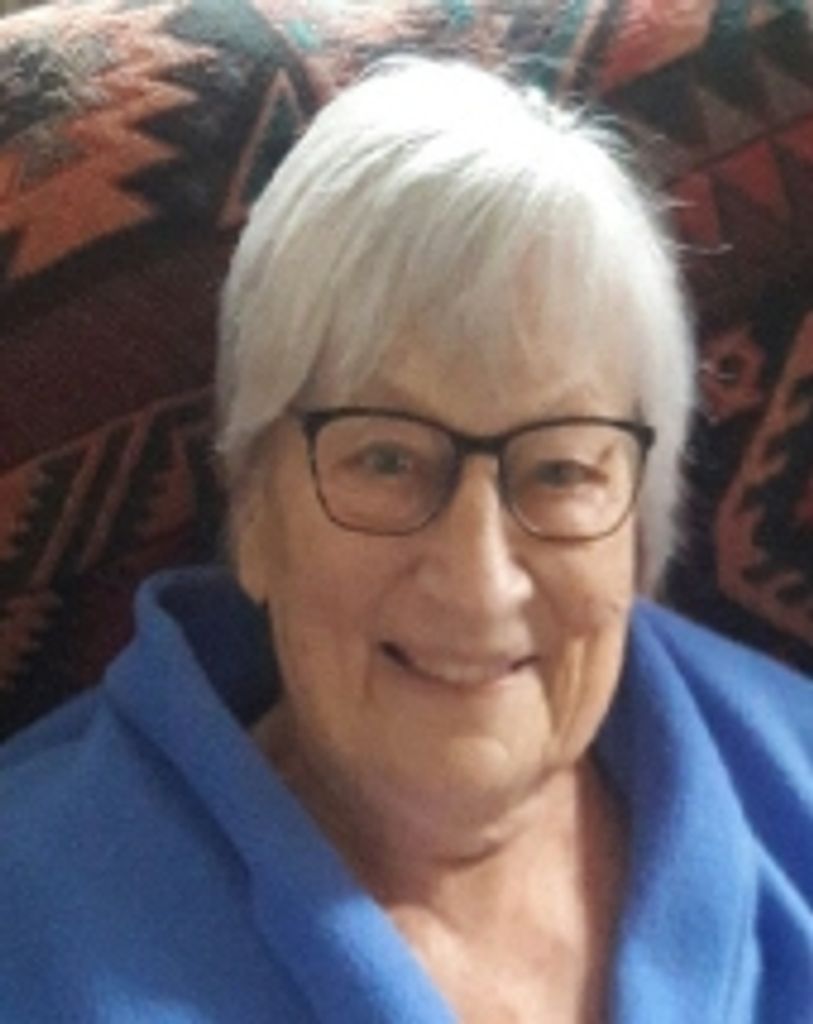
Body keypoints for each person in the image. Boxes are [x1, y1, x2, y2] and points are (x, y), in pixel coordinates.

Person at [1, 56, 812, 1024]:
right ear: (253, 509)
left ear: (641, 525)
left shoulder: (792, 775)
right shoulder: (32, 920)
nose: (478, 582)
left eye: (559, 469)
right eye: (386, 459)